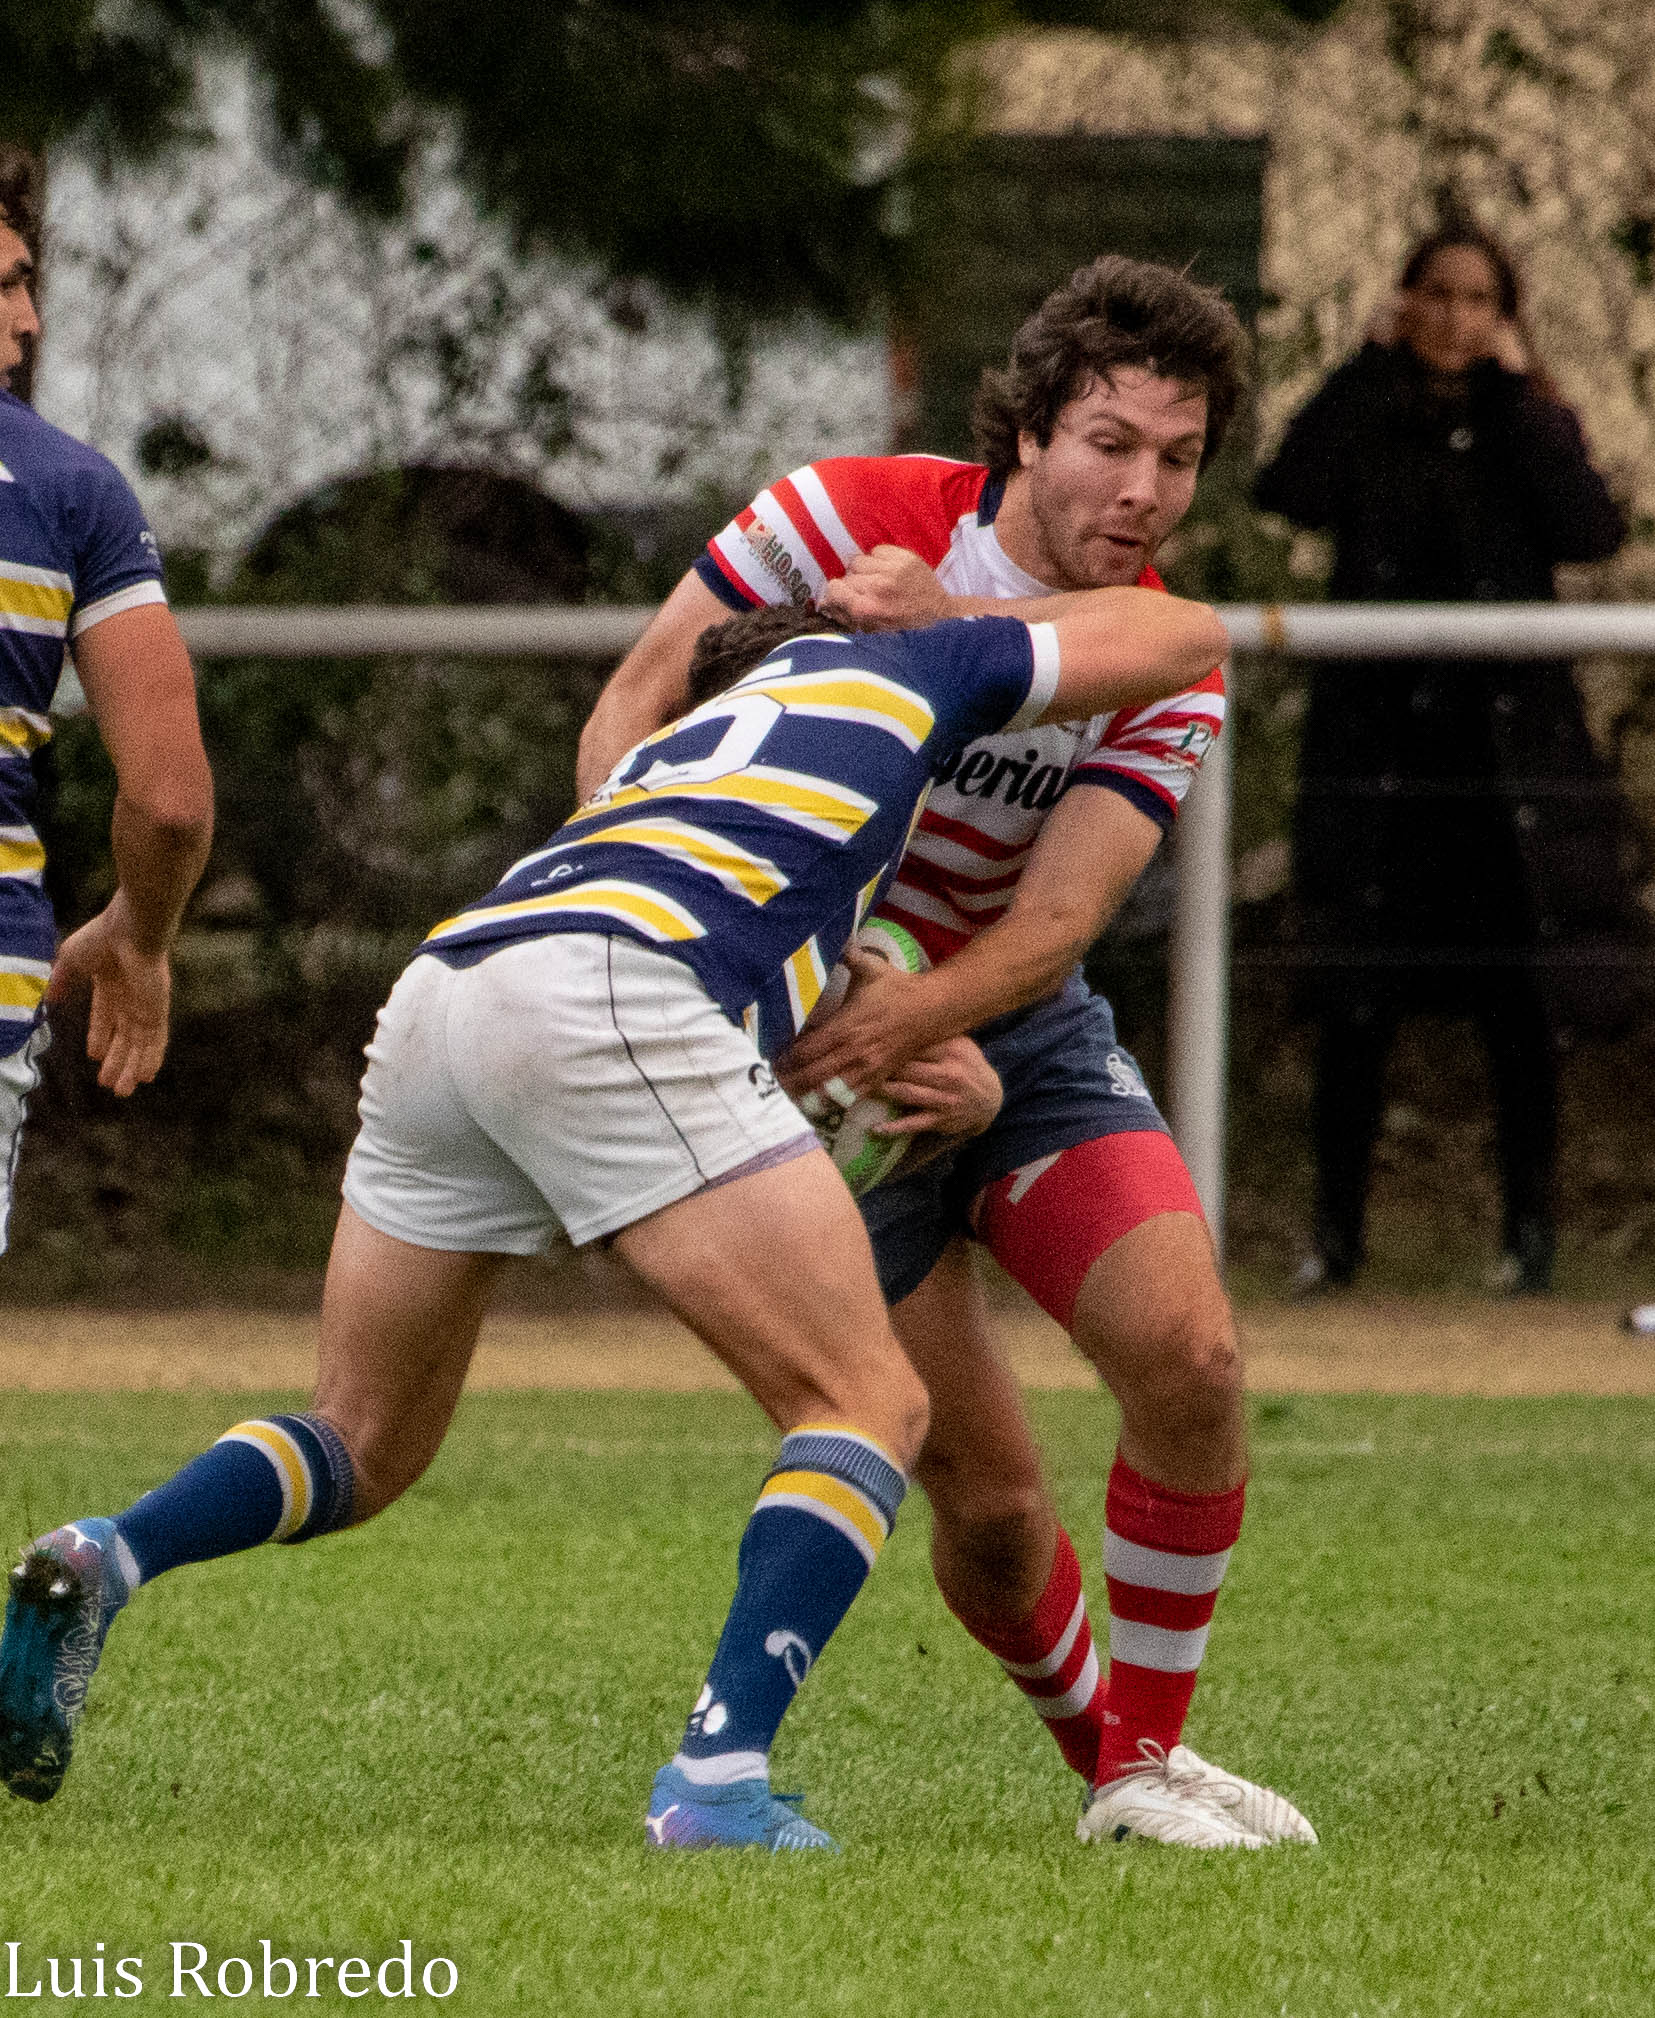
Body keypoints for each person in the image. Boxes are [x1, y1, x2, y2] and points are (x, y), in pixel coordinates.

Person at [0, 583, 1230, 1852]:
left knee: (360, 1435)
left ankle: (107, 1552)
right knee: (865, 1399)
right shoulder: (904, 665)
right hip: (609, 989)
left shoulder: (676, 758)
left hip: (447, 990)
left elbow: (740, 1035)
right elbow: (1187, 634)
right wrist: (940, 610)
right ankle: (715, 1780)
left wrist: (937, 1079)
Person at [576, 255, 1316, 1850]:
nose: (1141, 489)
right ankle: (1104, 1762)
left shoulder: (1157, 651)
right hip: (792, 1019)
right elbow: (632, 711)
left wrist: (923, 1027)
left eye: (1176, 457)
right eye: (1107, 443)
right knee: (985, 1507)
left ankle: (1140, 1769)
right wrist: (706, 966)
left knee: (1191, 1361)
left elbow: (1054, 921)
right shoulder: (843, 513)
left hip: (1000, 1018)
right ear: (1028, 431)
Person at [1255, 221, 1635, 1296]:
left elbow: (1588, 528)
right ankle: (1334, 1239)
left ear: (1503, 317)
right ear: (1403, 300)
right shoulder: (1366, 411)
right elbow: (1289, 489)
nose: (1454, 320)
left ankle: (1529, 1238)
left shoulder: (1525, 422)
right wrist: (1362, 368)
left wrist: (1517, 399)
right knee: (1355, 1003)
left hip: (1502, 773)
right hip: (1378, 765)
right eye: (1437, 294)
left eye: (1478, 301)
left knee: (1520, 1009)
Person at [0, 164, 214, 1255]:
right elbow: (171, 802)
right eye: (3, 285)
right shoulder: (68, 492)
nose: (29, 321)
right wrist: (144, 931)